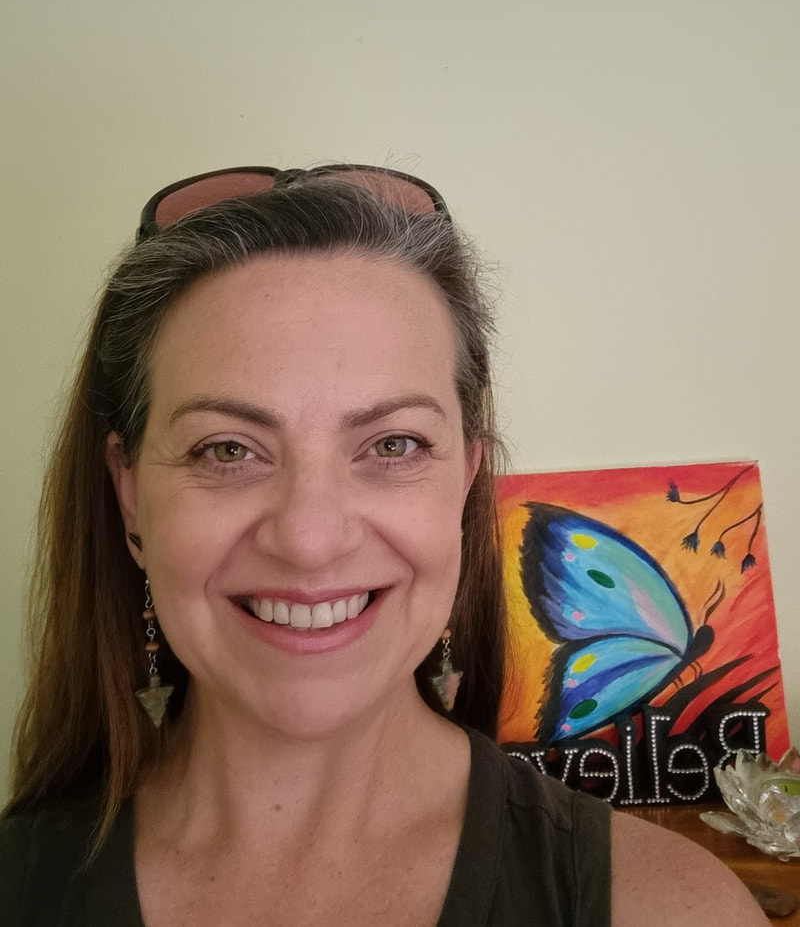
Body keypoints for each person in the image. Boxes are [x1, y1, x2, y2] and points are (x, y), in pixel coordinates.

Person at [0, 165, 767, 926]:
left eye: (392, 443)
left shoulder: (671, 908)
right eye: (227, 450)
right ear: (130, 494)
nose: (309, 538)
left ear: (464, 485)